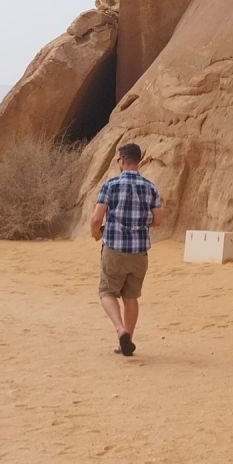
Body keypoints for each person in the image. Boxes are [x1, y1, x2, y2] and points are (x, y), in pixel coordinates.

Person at [90, 142, 162, 356]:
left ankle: (120, 329)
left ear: (122, 160)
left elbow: (96, 218)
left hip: (114, 248)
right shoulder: (150, 187)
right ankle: (126, 341)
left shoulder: (110, 185)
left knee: (106, 291)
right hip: (139, 252)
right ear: (138, 161)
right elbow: (158, 220)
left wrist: (96, 233)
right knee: (131, 296)